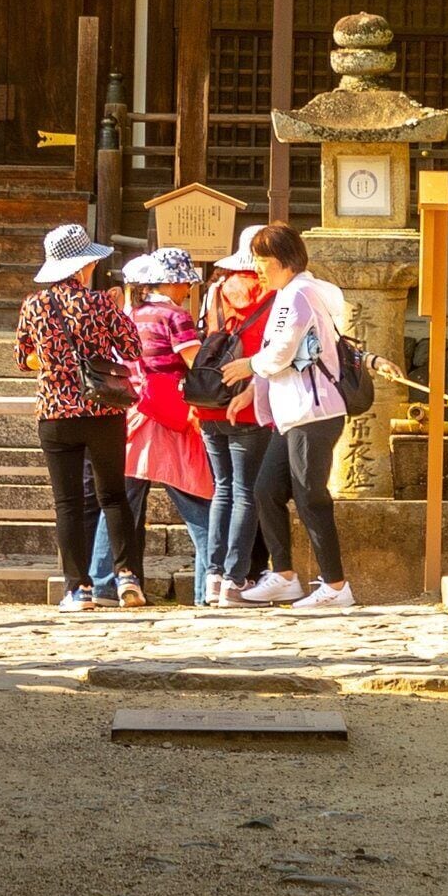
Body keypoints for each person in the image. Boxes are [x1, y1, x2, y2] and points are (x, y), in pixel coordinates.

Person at [223, 223, 354, 610]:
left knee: (310, 496)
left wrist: (248, 366)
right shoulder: (293, 293)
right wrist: (253, 387)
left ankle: (335, 584)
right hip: (294, 414)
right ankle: (283, 575)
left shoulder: (299, 293)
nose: (258, 269)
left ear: (280, 262)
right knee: (266, 489)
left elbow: (281, 352)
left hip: (312, 411)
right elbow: (286, 357)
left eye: (262, 261)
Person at [16, 222, 145, 610]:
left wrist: (57, 364)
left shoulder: (34, 305)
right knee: (113, 496)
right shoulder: (102, 303)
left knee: (68, 502)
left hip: (55, 412)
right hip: (104, 408)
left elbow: (24, 360)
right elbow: (133, 348)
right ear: (83, 266)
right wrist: (116, 311)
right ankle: (127, 580)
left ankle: (78, 589)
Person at [198, 226, 297, 604]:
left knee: (222, 490)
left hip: (210, 400)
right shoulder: (274, 293)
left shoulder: (215, 291)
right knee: (245, 493)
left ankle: (211, 576)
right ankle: (235, 579)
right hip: (250, 400)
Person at [118, 248, 217, 592]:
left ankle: (105, 584)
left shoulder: (131, 314)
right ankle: (209, 588)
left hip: (132, 413)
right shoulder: (174, 316)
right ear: (173, 282)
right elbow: (196, 363)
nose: (189, 289)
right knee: (198, 503)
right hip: (170, 415)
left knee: (121, 506)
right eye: (186, 281)